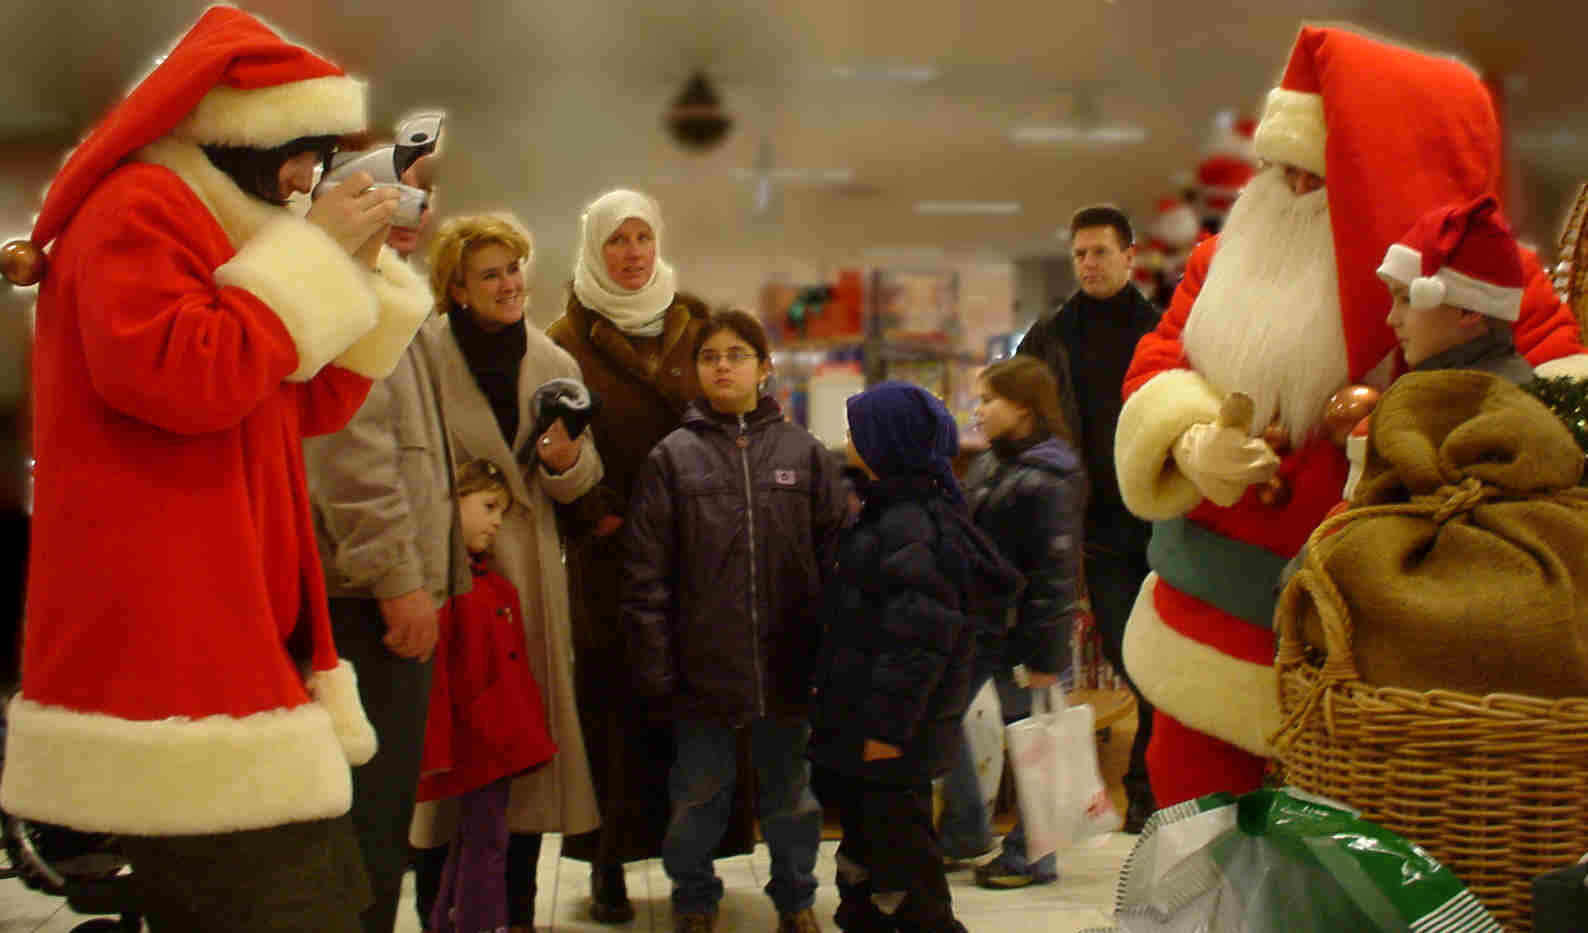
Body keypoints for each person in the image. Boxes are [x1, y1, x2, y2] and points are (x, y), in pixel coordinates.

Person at [0, 8, 433, 930]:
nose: (304, 179)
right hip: (177, 637)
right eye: (303, 155)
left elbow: (299, 400)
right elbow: (184, 376)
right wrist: (314, 253)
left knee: (298, 891)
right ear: (250, 135)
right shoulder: (137, 208)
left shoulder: (213, 225)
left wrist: (355, 271)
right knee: (288, 898)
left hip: (229, 617)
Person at [1111, 25, 1588, 811]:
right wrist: (1191, 439)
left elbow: (1564, 409)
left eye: (1311, 176)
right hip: (1207, 623)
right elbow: (1160, 363)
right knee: (1194, 826)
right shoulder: (1216, 261)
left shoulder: (1488, 284)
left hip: (1380, 652)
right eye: (1275, 167)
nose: (1281, 192)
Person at [547, 188, 755, 922]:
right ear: (593, 247)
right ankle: (606, 865)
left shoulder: (695, 323)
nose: (633, 253)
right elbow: (548, 445)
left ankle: (692, 862)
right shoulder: (562, 340)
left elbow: (745, 410)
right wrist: (590, 511)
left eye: (642, 237)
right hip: (611, 556)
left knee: (695, 709)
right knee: (614, 712)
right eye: (616, 240)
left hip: (703, 550)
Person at [623, 309, 847, 933]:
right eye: (710, 356)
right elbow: (645, 575)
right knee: (697, 796)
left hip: (789, 664)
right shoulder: (672, 458)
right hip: (702, 670)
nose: (723, 366)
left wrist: (833, 656)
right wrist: (657, 667)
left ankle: (796, 898)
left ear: (764, 368)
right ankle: (693, 898)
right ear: (697, 371)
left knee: (792, 799)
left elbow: (838, 560)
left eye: (737, 354)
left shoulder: (804, 454)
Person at [809, 381, 1021, 933]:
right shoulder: (888, 512)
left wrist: (885, 730)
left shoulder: (911, 527)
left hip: (891, 733)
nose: (850, 441)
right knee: (866, 842)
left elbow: (917, 643)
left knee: (901, 856)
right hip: (870, 726)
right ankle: (862, 916)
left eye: (859, 433)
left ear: (888, 443)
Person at [1016, 205, 1159, 830]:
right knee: (1132, 653)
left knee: (1161, 657)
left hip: (1160, 516)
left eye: (1101, 252)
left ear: (1131, 256)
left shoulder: (1162, 330)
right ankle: (1142, 783)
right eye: (1080, 254)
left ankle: (1147, 788)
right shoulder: (1050, 335)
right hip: (1092, 523)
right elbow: (1019, 411)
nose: (1089, 264)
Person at [933, 355, 1087, 889]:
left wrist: (1046, 658)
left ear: (1022, 407)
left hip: (1020, 635)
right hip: (977, 626)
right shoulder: (992, 464)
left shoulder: (1050, 478)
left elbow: (1056, 573)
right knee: (938, 718)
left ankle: (1032, 854)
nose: (978, 411)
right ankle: (965, 832)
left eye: (988, 400)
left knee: (1031, 744)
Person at [418, 459, 558, 933]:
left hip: (494, 744)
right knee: (483, 844)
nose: (497, 521)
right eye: (488, 507)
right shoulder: (449, 592)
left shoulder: (490, 587)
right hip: (477, 743)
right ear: (451, 504)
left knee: (475, 841)